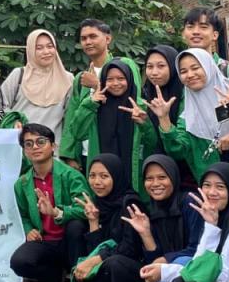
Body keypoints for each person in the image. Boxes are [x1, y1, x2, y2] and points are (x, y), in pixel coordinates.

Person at [85, 155, 203, 282]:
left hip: (188, 272)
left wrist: (164, 259)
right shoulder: (150, 209)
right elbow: (151, 258)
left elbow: (197, 249)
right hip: (159, 277)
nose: (155, 184)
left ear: (174, 177)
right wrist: (146, 233)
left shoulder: (189, 202)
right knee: (116, 264)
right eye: (149, 179)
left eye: (162, 177)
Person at [9, 124, 90, 282]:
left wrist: (57, 212)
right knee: (19, 262)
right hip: (44, 241)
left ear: (53, 146)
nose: (35, 147)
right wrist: (29, 229)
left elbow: (86, 209)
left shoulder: (72, 176)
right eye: (28, 144)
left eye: (41, 141)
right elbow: (21, 215)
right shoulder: (22, 183)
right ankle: (56, 279)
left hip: (70, 241)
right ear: (24, 151)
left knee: (76, 226)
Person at [149, 48, 229, 182]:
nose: (189, 75)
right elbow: (177, 150)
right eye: (183, 71)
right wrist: (163, 118)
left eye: (195, 68)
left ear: (209, 66)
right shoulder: (188, 116)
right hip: (218, 187)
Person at [58, 59, 156, 189]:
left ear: (130, 79)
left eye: (121, 78)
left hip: (132, 177)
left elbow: (153, 143)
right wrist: (89, 105)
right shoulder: (95, 106)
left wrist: (144, 124)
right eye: (110, 79)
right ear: (103, 81)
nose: (116, 83)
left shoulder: (141, 106)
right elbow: (77, 133)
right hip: (101, 180)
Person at [64, 153, 139, 282]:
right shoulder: (99, 202)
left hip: (127, 268)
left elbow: (130, 248)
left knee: (113, 263)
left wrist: (93, 261)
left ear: (116, 176)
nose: (97, 182)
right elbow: (97, 246)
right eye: (92, 176)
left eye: (104, 176)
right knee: (75, 227)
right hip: (107, 261)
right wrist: (93, 221)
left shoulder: (130, 204)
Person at [59, 19, 114, 166]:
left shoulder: (123, 67)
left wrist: (96, 85)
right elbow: (72, 117)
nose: (88, 42)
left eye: (93, 36)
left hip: (113, 150)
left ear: (108, 38)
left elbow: (126, 102)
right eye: (83, 38)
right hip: (85, 153)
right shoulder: (80, 79)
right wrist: (69, 156)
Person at [0, 30, 73, 136]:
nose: (46, 52)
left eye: (50, 46)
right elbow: (1, 105)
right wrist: (13, 121)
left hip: (52, 147)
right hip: (20, 144)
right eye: (39, 48)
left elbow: (69, 118)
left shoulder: (67, 79)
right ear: (30, 50)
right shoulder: (19, 75)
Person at [181, 7, 229, 77]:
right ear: (183, 34)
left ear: (215, 35)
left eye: (203, 27)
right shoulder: (176, 71)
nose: (195, 32)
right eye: (190, 27)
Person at [141, 45, 184, 129]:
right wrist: (145, 123)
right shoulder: (146, 96)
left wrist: (164, 118)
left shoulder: (186, 97)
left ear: (174, 67)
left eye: (161, 66)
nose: (154, 72)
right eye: (149, 66)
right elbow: (152, 141)